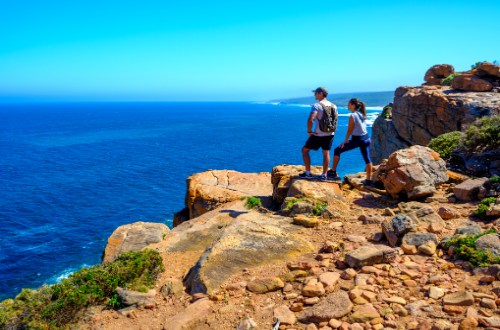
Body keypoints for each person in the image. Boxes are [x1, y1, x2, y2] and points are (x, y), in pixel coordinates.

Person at [328, 98, 373, 185]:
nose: (347, 105)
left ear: (353, 105)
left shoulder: (353, 116)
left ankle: (333, 172)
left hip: (359, 140)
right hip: (366, 138)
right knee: (367, 159)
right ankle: (368, 180)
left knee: (337, 150)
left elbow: (350, 130)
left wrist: (345, 141)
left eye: (348, 104)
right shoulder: (362, 114)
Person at [299, 87, 338, 181]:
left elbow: (310, 120)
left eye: (315, 93)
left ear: (320, 93)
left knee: (304, 151)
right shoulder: (334, 105)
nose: (314, 95)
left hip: (318, 134)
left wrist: (309, 131)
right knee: (326, 153)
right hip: (330, 133)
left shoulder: (316, 105)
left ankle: (308, 173)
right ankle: (324, 175)